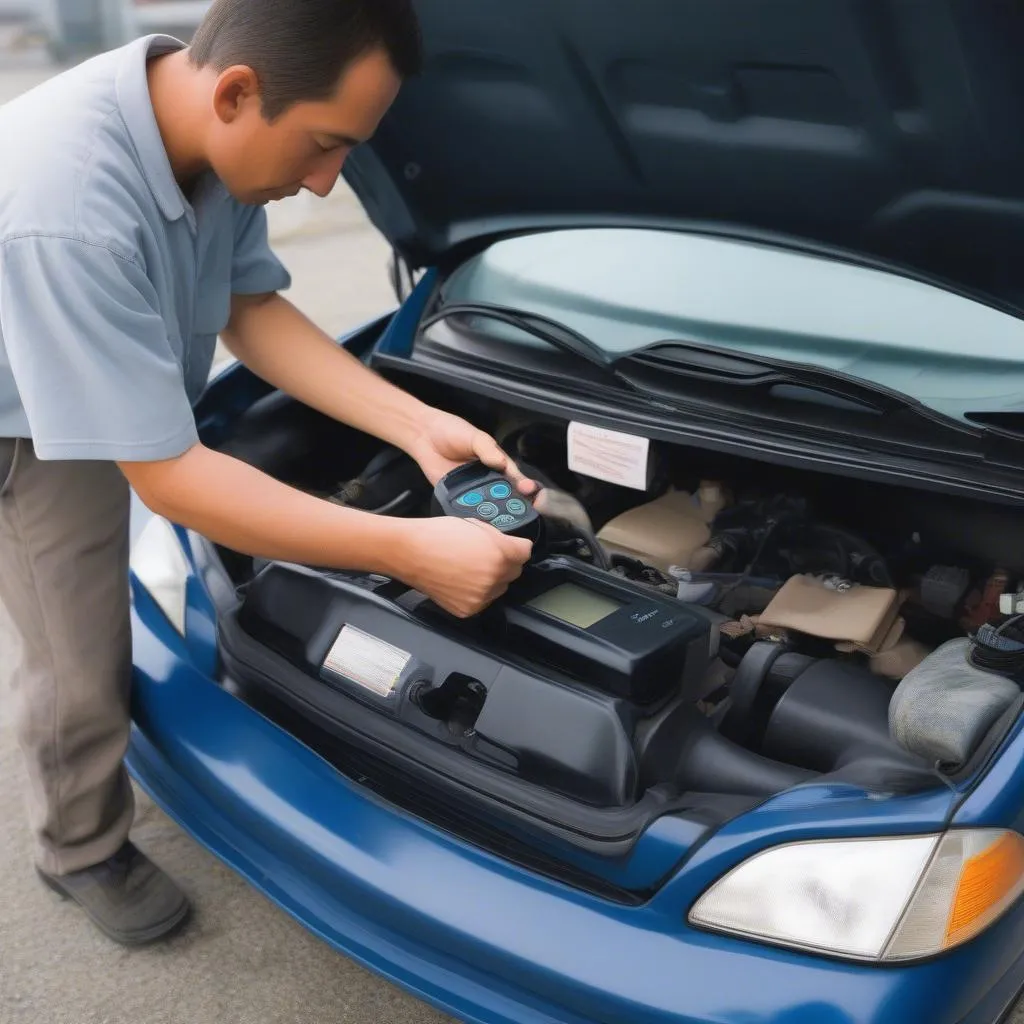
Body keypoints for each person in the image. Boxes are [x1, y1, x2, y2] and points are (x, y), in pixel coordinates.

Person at [0, 0, 535, 947]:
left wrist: (417, 426)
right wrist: (408, 550)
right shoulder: (69, 207)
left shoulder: (204, 123)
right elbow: (171, 481)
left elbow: (253, 308)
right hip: (20, 418)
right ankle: (78, 847)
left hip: (103, 355)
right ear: (239, 91)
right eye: (324, 148)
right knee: (76, 648)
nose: (329, 185)